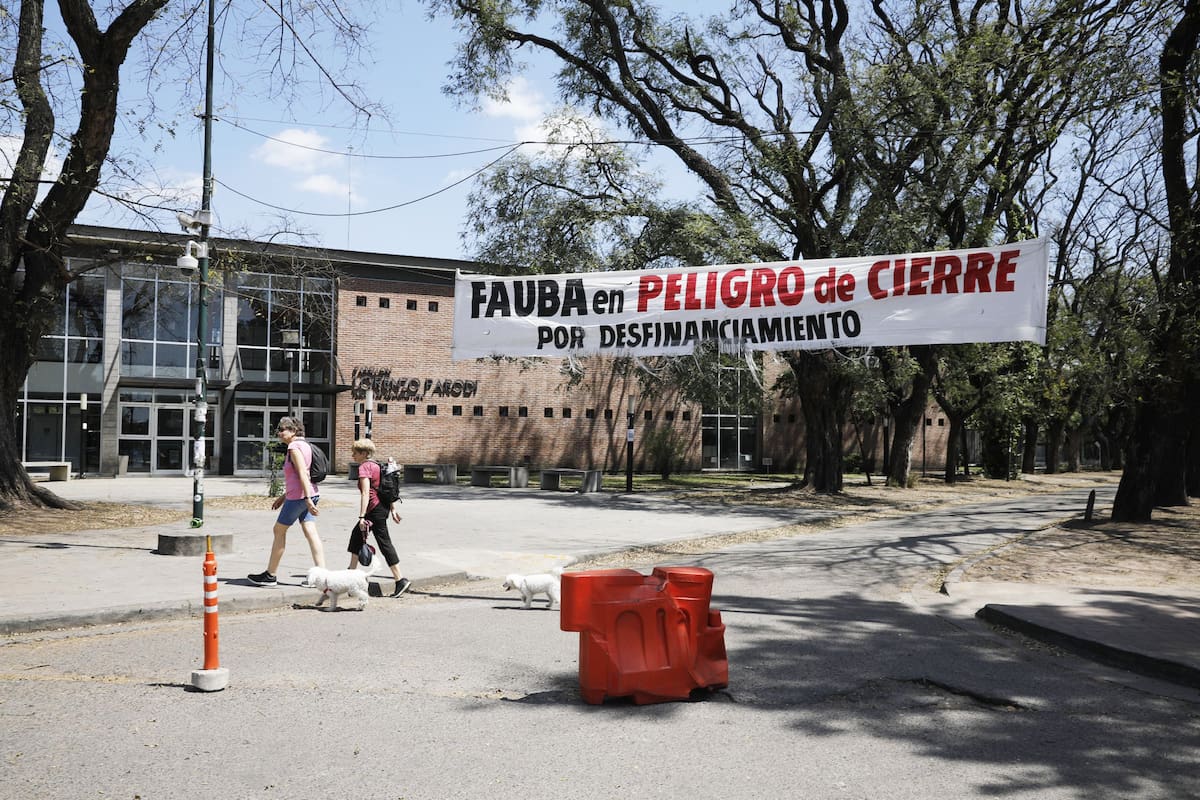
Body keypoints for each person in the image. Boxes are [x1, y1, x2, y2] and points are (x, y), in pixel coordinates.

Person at [248, 417, 326, 586]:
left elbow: (303, 474)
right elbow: (299, 477)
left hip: (300, 497)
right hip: (309, 494)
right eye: (279, 429)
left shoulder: (294, 447)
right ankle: (320, 576)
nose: (280, 433)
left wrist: (305, 499)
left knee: (278, 530)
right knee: (311, 532)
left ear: (293, 431)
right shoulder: (306, 446)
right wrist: (283, 497)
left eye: (283, 429)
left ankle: (270, 574)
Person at [347, 438, 410, 597]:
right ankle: (350, 577)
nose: (352, 455)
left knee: (384, 542)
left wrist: (362, 516)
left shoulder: (365, 467)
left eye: (355, 452)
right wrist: (393, 509)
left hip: (373, 510)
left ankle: (400, 579)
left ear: (364, 453)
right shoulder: (377, 465)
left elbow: (365, 493)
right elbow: (385, 489)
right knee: (356, 537)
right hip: (381, 508)